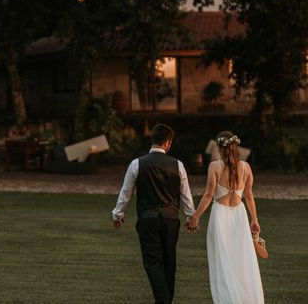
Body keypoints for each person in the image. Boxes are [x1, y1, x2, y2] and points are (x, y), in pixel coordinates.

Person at [111, 123, 196, 304]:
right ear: (167, 143)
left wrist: (118, 215)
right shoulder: (178, 165)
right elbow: (186, 194)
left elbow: (125, 193)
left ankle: (163, 300)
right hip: (171, 219)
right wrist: (191, 217)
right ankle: (165, 300)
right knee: (169, 261)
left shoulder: (137, 164)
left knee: (152, 261)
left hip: (148, 219)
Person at [187, 131, 265, 304]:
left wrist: (195, 217)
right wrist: (254, 220)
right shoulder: (246, 167)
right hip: (239, 216)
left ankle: (228, 299)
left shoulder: (215, 166)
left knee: (222, 260)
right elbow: (249, 196)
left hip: (220, 215)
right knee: (241, 260)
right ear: (236, 147)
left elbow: (208, 195)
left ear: (219, 147)